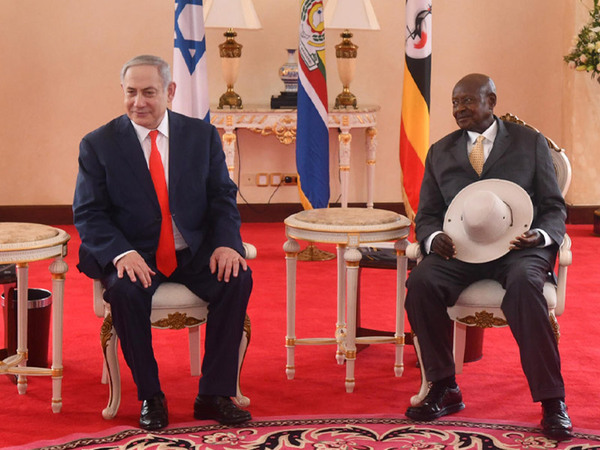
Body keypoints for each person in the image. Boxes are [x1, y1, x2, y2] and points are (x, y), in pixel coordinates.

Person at [73, 54, 253, 430]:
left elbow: (222, 195)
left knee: (237, 277)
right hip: (134, 253)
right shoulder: (98, 144)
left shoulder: (201, 136)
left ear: (170, 91)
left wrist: (226, 243)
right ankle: (150, 395)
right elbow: (89, 213)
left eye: (149, 92)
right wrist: (121, 253)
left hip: (193, 249)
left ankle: (215, 394)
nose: (138, 102)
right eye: (131, 92)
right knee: (124, 291)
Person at [404, 73, 573, 440]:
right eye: (454, 103)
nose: (459, 110)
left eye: (467, 101)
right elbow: (428, 213)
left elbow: (552, 206)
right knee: (420, 283)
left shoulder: (530, 143)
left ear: (491, 101)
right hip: (461, 252)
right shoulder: (440, 151)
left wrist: (541, 237)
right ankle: (444, 386)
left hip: (518, 249)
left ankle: (552, 401)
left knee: (527, 287)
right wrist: (432, 239)